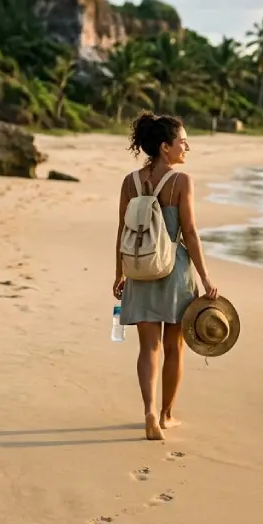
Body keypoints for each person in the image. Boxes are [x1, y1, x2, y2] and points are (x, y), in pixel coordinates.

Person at [113, 111, 219, 441]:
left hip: (140, 270)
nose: (186, 147)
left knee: (148, 349)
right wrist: (205, 278)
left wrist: (119, 273)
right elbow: (190, 231)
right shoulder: (181, 182)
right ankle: (166, 414)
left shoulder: (130, 181)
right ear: (164, 147)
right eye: (182, 143)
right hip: (175, 272)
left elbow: (122, 230)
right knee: (174, 347)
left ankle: (148, 412)